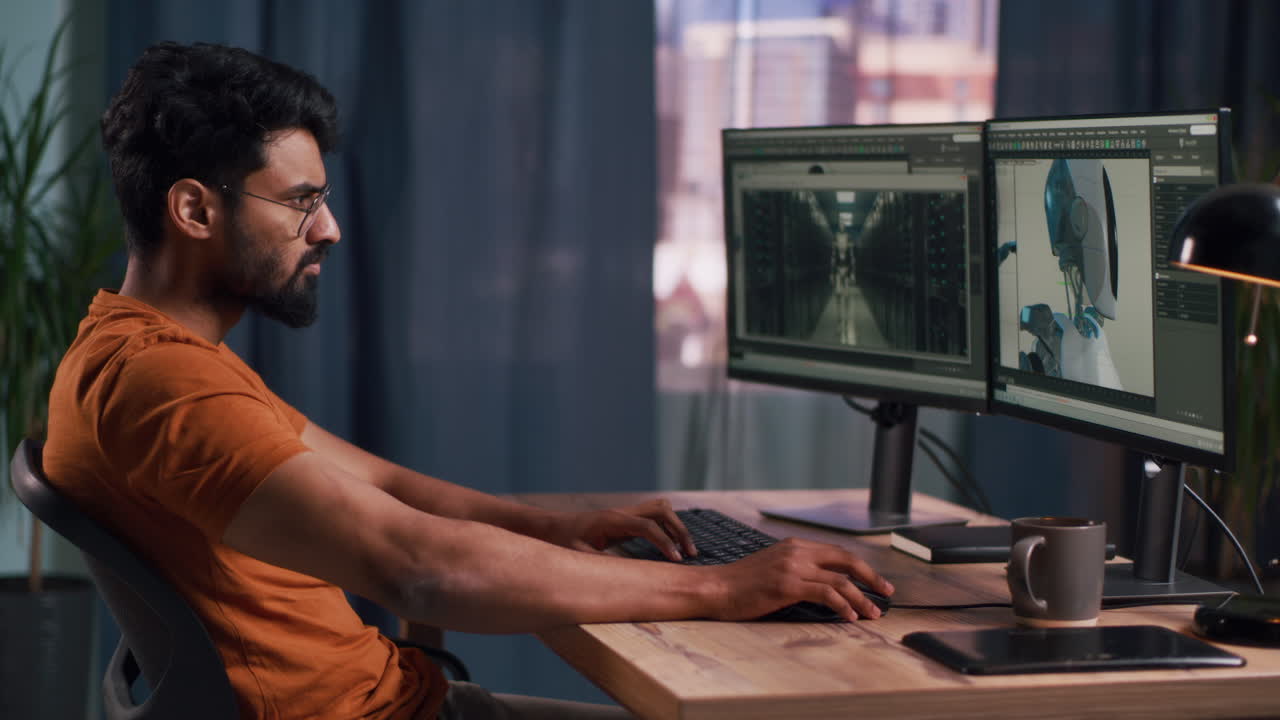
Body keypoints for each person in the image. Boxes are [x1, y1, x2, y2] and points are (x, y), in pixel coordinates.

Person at [43, 42, 893, 720]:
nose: (329, 229)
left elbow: (379, 484)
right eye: (300, 202)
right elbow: (417, 571)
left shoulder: (149, 351)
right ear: (195, 210)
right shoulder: (163, 387)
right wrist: (724, 586)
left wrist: (558, 527)